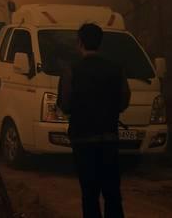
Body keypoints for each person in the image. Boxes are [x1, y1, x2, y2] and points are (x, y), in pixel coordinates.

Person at [57, 23, 131, 218]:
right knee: (112, 193)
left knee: (89, 195)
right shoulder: (116, 69)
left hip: (82, 140)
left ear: (79, 42)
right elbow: (124, 101)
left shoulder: (71, 70)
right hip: (109, 138)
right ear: (100, 42)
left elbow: (65, 104)